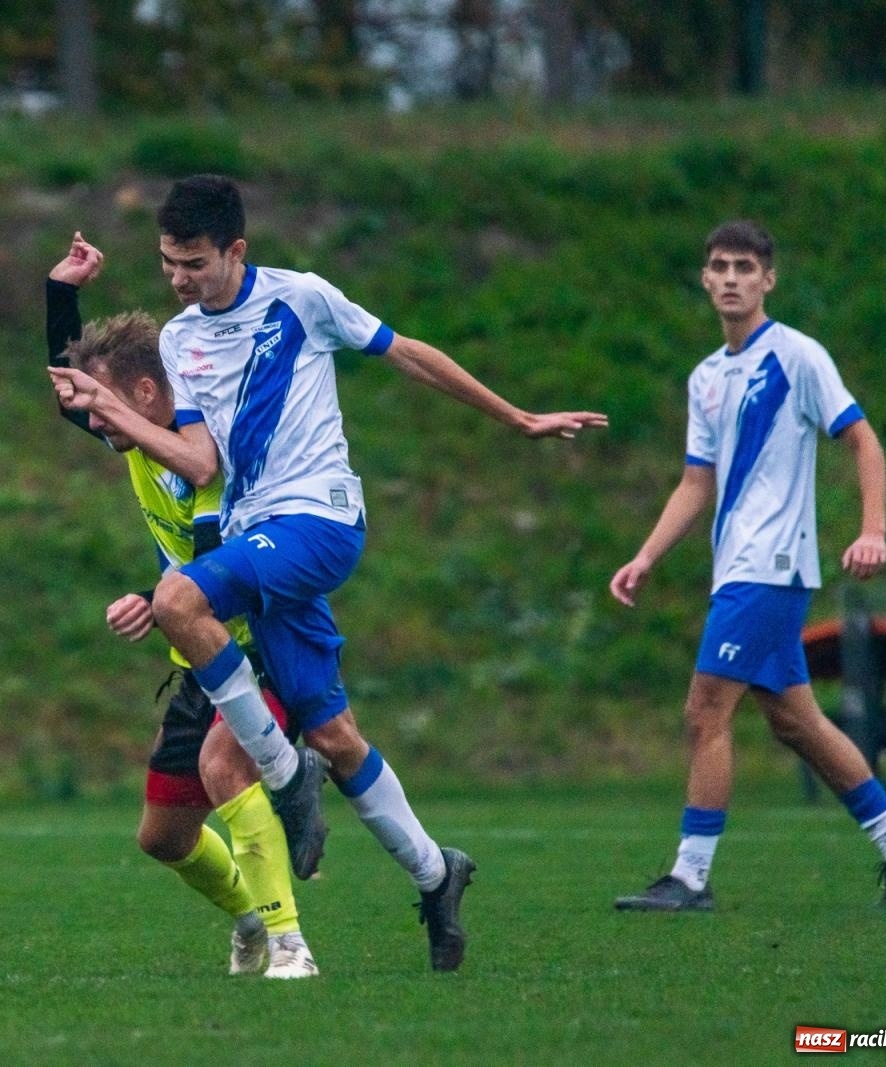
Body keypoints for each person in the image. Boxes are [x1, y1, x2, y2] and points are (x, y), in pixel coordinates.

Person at [50, 175, 607, 971]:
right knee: (340, 736)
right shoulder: (178, 341)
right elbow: (199, 458)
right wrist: (106, 392)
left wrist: (516, 416)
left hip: (318, 518)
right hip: (257, 539)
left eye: (195, 262)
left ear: (236, 250)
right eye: (169, 262)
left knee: (177, 598)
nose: (179, 277)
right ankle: (437, 872)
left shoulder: (301, 299)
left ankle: (282, 772)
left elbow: (407, 352)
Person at [610, 220, 886, 911]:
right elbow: (696, 481)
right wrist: (646, 554)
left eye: (744, 267)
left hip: (773, 564)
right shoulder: (706, 376)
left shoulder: (796, 356)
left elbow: (863, 439)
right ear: (704, 278)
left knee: (705, 709)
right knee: (797, 721)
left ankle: (690, 876)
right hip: (736, 566)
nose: (730, 277)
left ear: (768, 280)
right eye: (719, 266)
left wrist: (872, 528)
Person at [47, 232, 318, 978]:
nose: (93, 423)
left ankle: (291, 943)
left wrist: (146, 594)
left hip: (258, 643)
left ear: (141, 394)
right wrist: (58, 292)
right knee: (163, 837)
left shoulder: (213, 449)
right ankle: (249, 920)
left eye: (104, 406)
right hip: (195, 656)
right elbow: (73, 392)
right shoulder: (132, 437)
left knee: (224, 766)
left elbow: (212, 559)